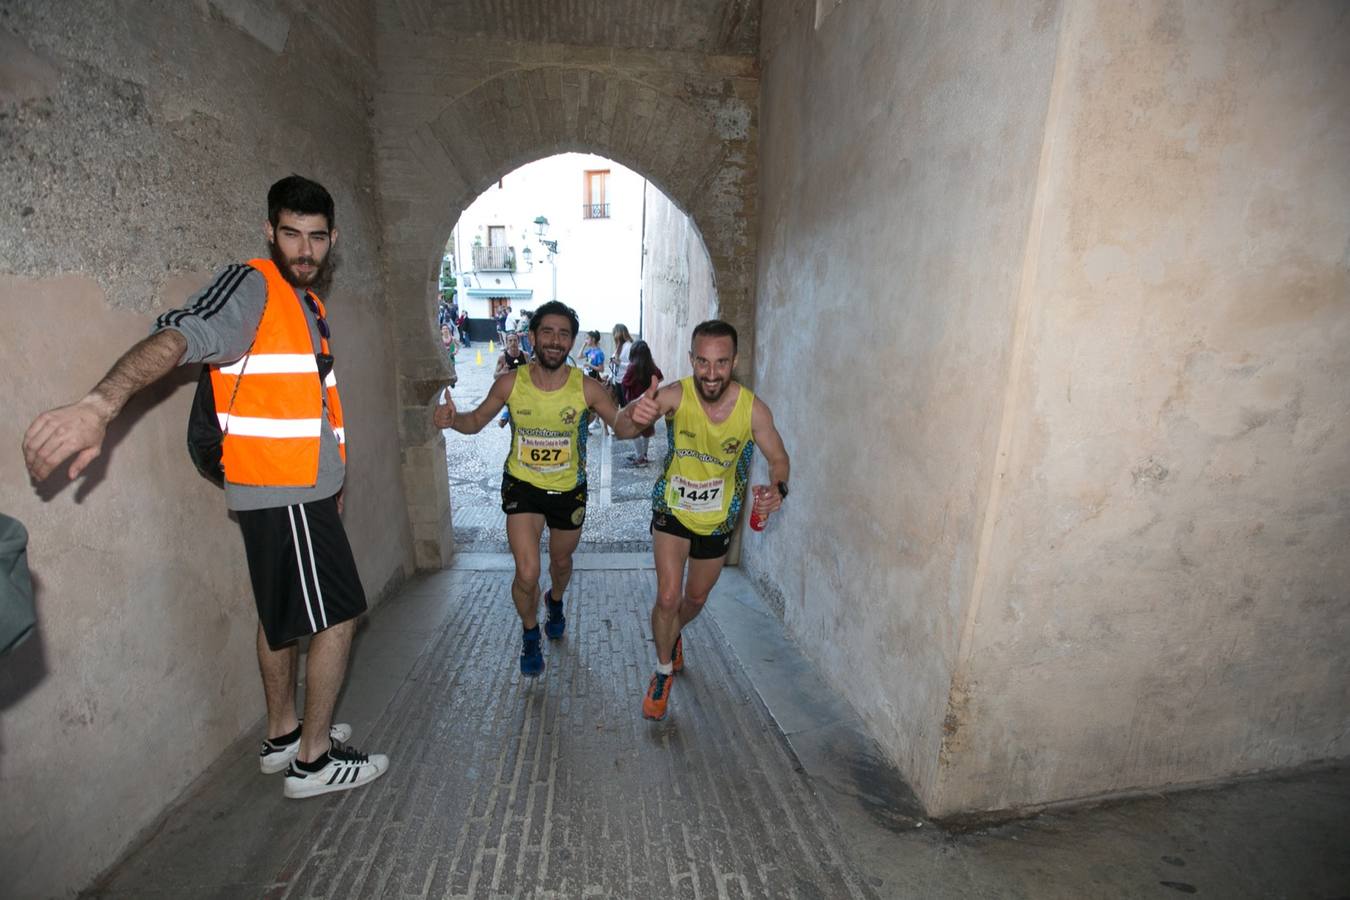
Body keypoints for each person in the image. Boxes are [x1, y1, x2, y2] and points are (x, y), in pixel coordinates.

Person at [21, 175, 388, 797]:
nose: (304, 250)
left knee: (281, 620)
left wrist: (334, 480)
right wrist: (100, 403)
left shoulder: (306, 306)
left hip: (296, 488)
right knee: (339, 617)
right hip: (285, 489)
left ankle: (282, 736)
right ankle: (315, 761)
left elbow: (308, 407)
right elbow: (182, 334)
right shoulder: (253, 284)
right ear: (269, 232)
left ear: (332, 240)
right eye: (291, 234)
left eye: (316, 238)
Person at [433, 301, 644, 677]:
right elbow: (476, 422)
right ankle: (530, 632)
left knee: (560, 563)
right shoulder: (511, 384)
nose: (555, 340)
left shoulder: (587, 388)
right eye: (547, 332)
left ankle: (556, 599)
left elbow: (623, 427)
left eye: (564, 334)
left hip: (568, 491)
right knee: (527, 572)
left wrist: (643, 414)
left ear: (571, 342)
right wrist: (453, 420)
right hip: (523, 486)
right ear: (532, 337)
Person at [619, 320, 790, 720]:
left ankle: (672, 632)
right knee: (667, 597)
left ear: (735, 361)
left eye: (721, 363)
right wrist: (634, 413)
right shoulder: (675, 395)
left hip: (717, 522)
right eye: (703, 362)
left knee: (693, 599)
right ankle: (663, 669)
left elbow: (779, 459)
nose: (711, 374)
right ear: (692, 359)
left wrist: (777, 489)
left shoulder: (753, 410)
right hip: (672, 511)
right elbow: (623, 428)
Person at [620, 341, 662, 466]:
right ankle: (644, 455)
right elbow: (660, 378)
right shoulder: (652, 366)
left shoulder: (632, 367)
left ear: (634, 353)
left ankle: (639, 458)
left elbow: (624, 382)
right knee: (646, 430)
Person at [493, 331, 530, 428]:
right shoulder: (503, 357)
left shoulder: (525, 355)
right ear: (506, 343)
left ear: (518, 341)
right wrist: (502, 372)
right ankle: (506, 413)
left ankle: (506, 414)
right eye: (510, 341)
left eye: (515, 340)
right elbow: (495, 376)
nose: (513, 343)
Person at [610, 323, 633, 405]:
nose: (614, 336)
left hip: (625, 382)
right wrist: (610, 377)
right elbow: (614, 363)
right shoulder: (619, 346)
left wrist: (619, 363)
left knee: (626, 406)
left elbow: (633, 366)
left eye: (614, 333)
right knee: (622, 406)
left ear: (619, 333)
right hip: (617, 381)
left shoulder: (629, 346)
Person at [441, 323, 459, 389]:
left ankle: (452, 381)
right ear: (441, 331)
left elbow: (457, 345)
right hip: (444, 357)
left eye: (446, 328)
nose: (445, 330)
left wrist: (456, 350)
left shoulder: (452, 338)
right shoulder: (440, 339)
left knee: (452, 369)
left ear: (448, 330)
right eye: (443, 329)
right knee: (445, 370)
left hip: (451, 356)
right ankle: (446, 381)